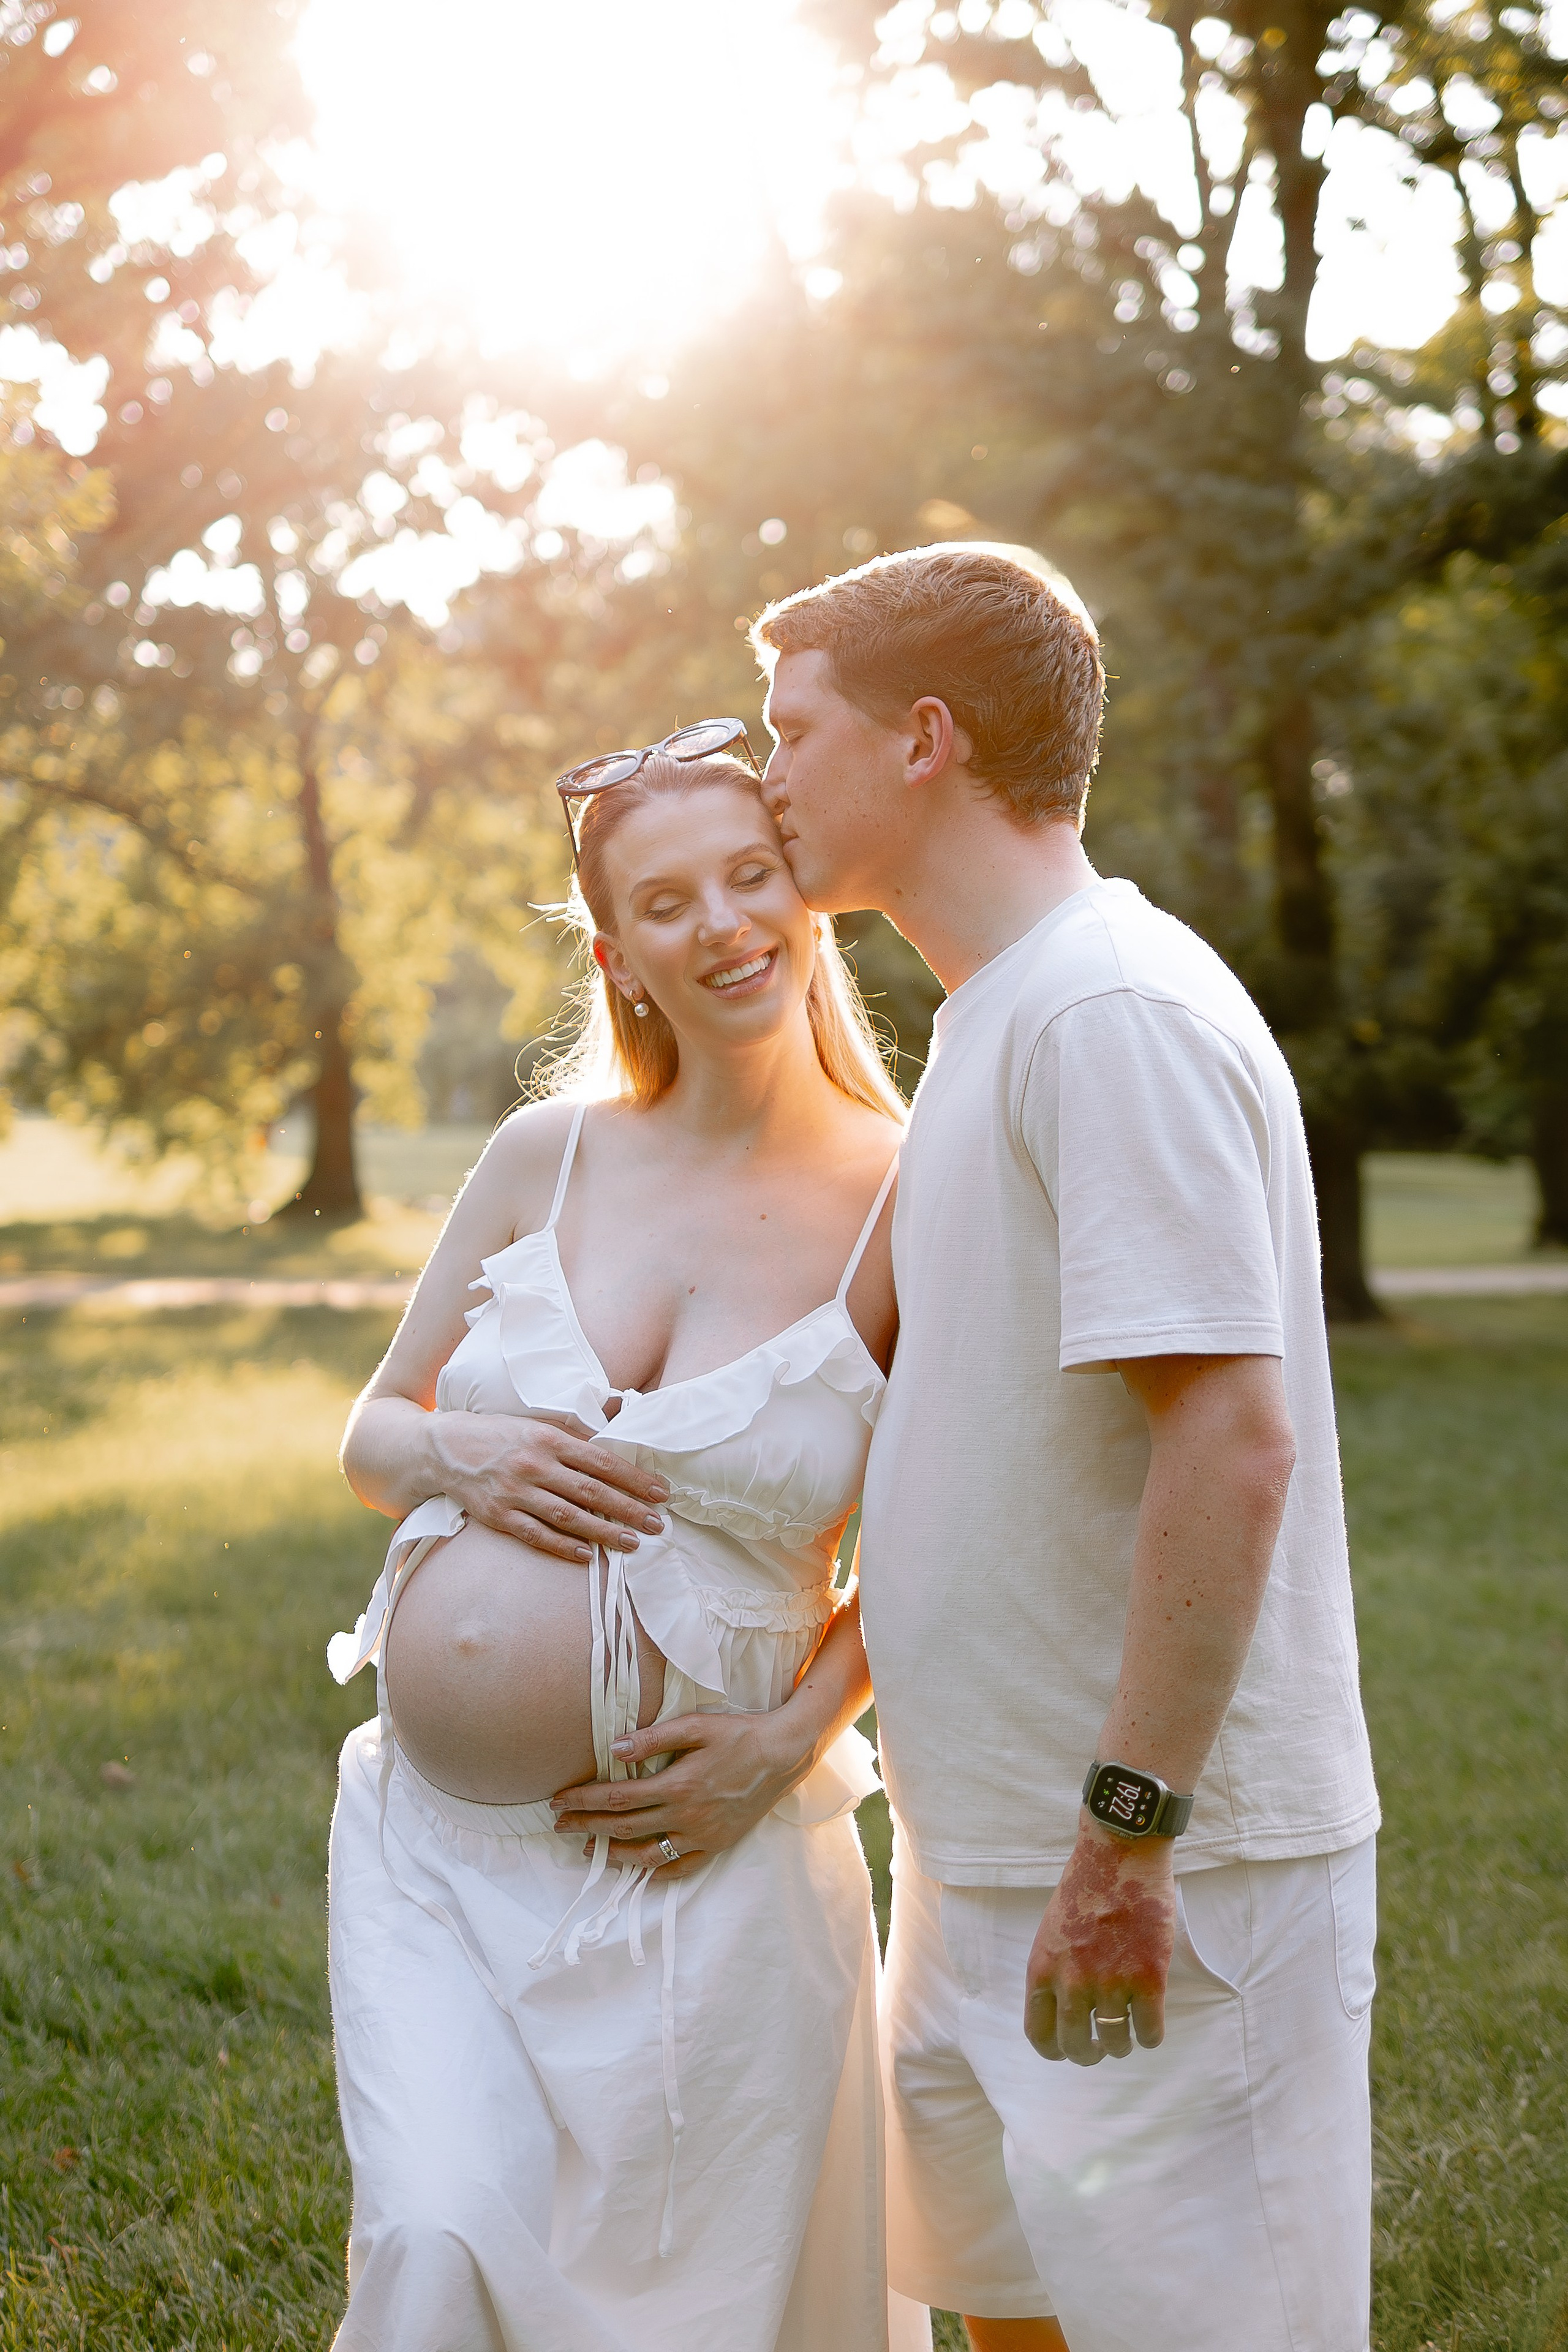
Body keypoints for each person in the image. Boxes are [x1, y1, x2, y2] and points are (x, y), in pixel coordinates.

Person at [596, 545, 1381, 2352]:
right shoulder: (991, 1021)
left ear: (924, 741)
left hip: (1159, 1874)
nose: (769, 774)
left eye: (796, 732)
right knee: (1005, 2316)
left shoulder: (1113, 1013)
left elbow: (1236, 1443)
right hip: (981, 1856)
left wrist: (1126, 1841)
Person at [323, 729, 932, 2352]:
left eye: (754, 876)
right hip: (441, 1866)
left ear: (811, 898)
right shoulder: (547, 1157)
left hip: (706, 1869)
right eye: (667, 901)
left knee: (679, 2326)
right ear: (619, 956)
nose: (726, 922)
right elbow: (373, 1432)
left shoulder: (911, 1196)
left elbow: (956, 1544)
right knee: (433, 2254)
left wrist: (794, 1742)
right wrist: (467, 1446)